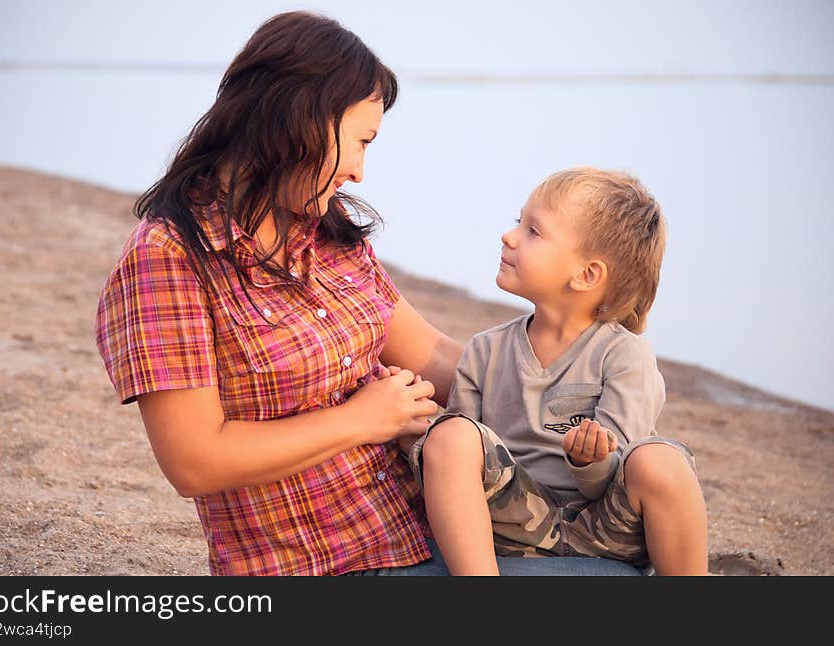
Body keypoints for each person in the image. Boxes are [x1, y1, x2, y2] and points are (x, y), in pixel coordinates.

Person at [95, 11, 642, 576]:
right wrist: (362, 421)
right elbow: (195, 461)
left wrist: (588, 389)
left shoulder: (323, 229)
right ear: (297, 121)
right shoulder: (168, 258)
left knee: (639, 546)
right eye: (359, 141)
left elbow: (439, 360)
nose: (358, 171)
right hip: (332, 565)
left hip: (438, 525)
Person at [408, 167, 709, 575]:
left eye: (534, 231)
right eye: (520, 223)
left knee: (660, 461)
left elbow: (616, 473)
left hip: (602, 524)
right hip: (516, 522)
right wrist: (417, 433)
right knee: (449, 434)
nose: (509, 236)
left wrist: (591, 462)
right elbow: (461, 463)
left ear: (586, 274)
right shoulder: (485, 350)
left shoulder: (625, 356)